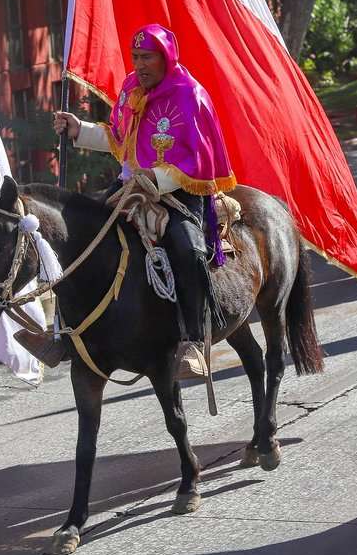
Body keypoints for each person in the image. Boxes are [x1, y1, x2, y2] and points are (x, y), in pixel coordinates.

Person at [54, 24, 236, 381]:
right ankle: (63, 333)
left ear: (166, 57)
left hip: (180, 194)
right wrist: (79, 129)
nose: (140, 64)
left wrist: (156, 179)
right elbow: (122, 139)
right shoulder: (131, 90)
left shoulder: (189, 96)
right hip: (131, 188)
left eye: (147, 57)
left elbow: (198, 159)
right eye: (136, 57)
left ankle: (193, 342)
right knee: (77, 235)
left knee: (187, 249)